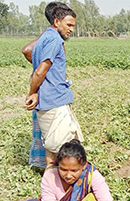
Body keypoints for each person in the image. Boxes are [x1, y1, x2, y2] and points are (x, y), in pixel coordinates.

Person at [24, 3, 83, 167]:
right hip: (55, 101)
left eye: (73, 26)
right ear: (57, 22)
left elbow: (29, 54)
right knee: (64, 147)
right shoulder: (55, 40)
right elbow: (40, 72)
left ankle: (51, 181)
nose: (71, 29)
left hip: (49, 101)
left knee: (52, 146)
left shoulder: (43, 39)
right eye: (69, 25)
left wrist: (36, 92)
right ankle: (59, 183)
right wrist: (31, 92)